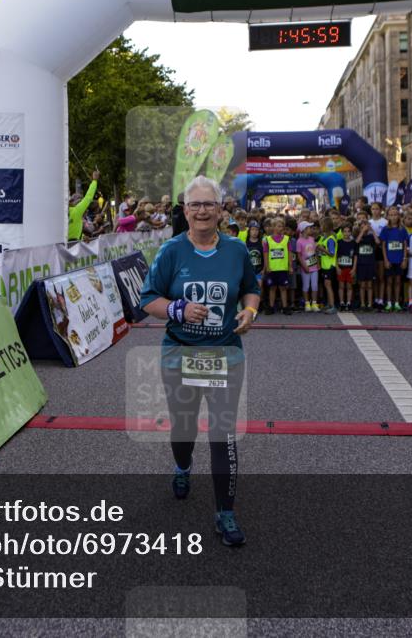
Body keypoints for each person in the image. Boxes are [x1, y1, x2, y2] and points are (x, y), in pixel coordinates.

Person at [139, 176, 260, 547]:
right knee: (184, 428)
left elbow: (251, 289)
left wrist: (250, 312)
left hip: (224, 354)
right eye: (196, 205)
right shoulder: (171, 251)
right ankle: (183, 465)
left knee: (223, 435)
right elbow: (148, 299)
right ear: (185, 210)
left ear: (220, 210)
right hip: (180, 353)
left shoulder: (236, 250)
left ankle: (225, 513)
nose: (203, 211)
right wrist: (178, 308)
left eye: (209, 204)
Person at [380, 207, 408, 312]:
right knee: (389, 281)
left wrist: (404, 259)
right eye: (391, 215)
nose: (393, 217)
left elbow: (405, 245)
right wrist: (386, 260)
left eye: (395, 214)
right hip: (389, 259)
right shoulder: (385, 229)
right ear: (387, 216)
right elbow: (383, 246)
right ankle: (388, 303)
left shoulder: (402, 229)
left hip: (399, 259)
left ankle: (396, 303)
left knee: (398, 281)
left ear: (399, 216)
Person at [263, 218, 293, 315]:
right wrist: (267, 266)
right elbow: (266, 254)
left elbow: (289, 253)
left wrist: (290, 266)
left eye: (282, 226)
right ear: (273, 227)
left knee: (283, 288)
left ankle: (285, 307)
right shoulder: (267, 240)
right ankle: (271, 307)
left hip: (283, 268)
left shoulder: (287, 239)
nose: (281, 228)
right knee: (272, 288)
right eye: (279, 226)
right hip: (272, 269)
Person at [67, 170, 100, 241]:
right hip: (75, 245)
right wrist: (94, 180)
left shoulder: (55, 216)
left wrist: (82, 237)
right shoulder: (77, 211)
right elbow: (88, 197)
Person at [316, 218, 339, 314]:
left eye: (321, 225)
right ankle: (329, 304)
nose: (320, 227)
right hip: (324, 265)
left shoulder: (331, 239)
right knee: (326, 285)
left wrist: (322, 249)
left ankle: (332, 306)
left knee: (328, 285)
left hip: (330, 265)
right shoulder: (323, 237)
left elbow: (332, 253)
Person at [355, 220, 378, 311]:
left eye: (366, 226)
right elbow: (356, 242)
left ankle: (369, 304)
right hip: (361, 264)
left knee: (369, 285)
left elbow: (378, 242)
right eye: (362, 227)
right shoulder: (358, 237)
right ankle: (362, 304)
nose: (364, 228)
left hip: (370, 263)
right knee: (362, 285)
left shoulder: (371, 237)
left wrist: (372, 230)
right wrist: (362, 232)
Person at [296, 223, 319, 312]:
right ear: (304, 230)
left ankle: (314, 303)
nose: (311, 229)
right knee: (306, 286)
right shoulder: (299, 241)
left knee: (314, 285)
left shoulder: (312, 239)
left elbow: (314, 251)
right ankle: (307, 303)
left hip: (314, 266)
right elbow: (299, 256)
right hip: (305, 267)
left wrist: (317, 262)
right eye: (309, 228)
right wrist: (304, 266)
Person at [336, 224, 357, 310]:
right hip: (341, 268)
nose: (346, 233)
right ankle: (341, 303)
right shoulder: (339, 242)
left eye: (348, 231)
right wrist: (337, 267)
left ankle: (348, 303)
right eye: (344, 231)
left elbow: (355, 256)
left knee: (349, 286)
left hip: (349, 268)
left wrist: (354, 268)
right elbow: (335, 256)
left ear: (351, 232)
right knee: (341, 286)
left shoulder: (353, 243)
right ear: (342, 232)